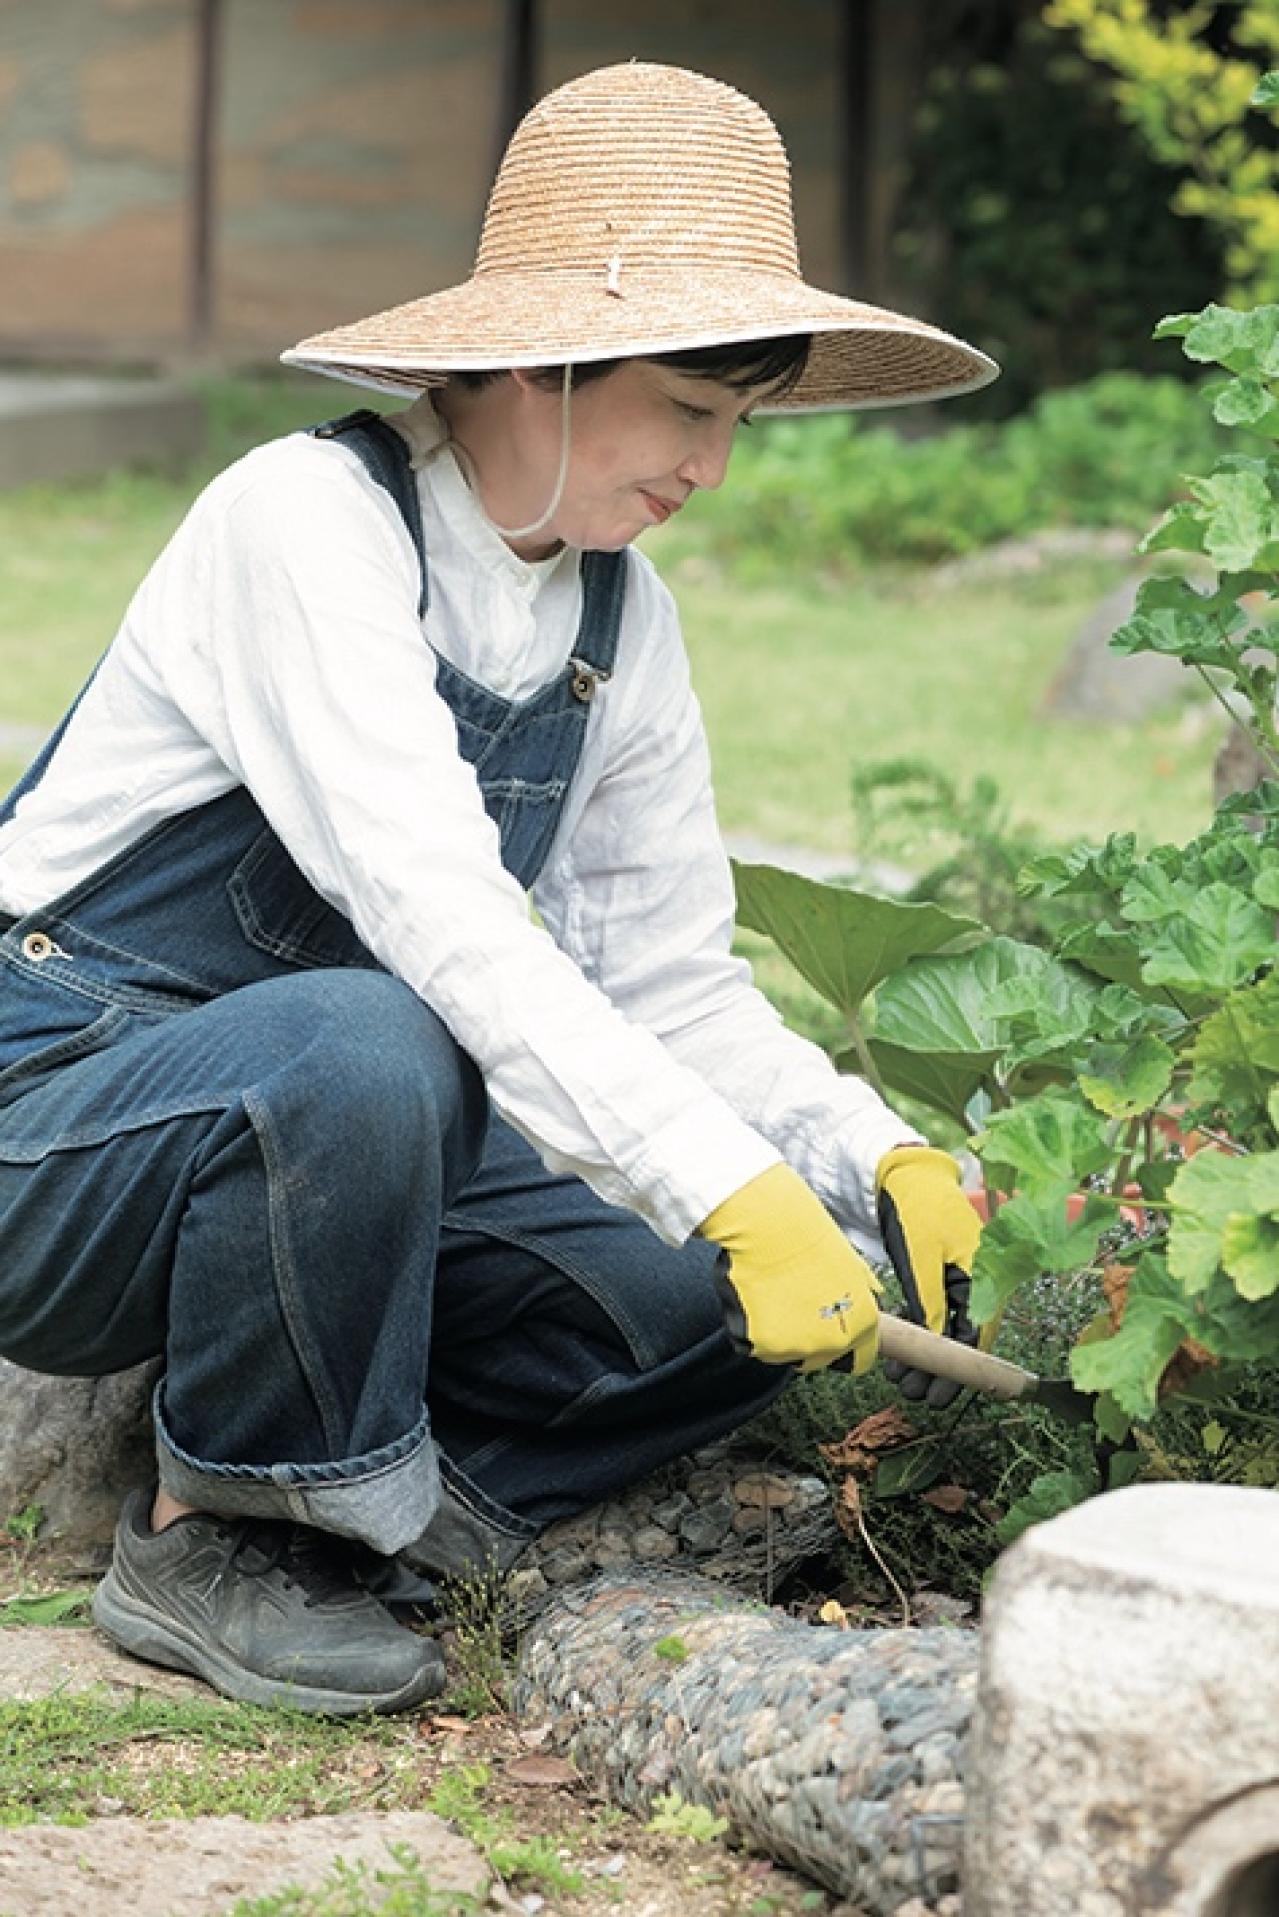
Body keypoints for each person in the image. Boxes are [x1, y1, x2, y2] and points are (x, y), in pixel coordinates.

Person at [0, 62, 995, 1716]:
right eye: (689, 409)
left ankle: (392, 1521)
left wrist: (854, 1152)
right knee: (365, 1036)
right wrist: (717, 1173)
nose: (711, 469)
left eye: (735, 425)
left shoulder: (621, 623)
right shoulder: (304, 526)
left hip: (353, 1153)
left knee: (714, 1303)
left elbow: (670, 984)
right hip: (60, 1125)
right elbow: (443, 920)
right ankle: (210, 1534)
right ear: (536, 364)